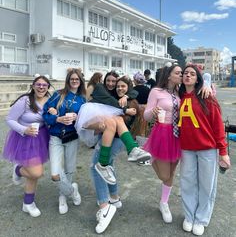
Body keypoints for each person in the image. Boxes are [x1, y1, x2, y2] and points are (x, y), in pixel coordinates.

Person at [89, 71, 148, 234]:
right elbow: (106, 97)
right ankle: (114, 198)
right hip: (113, 137)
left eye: (117, 83)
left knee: (97, 167)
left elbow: (132, 95)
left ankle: (105, 205)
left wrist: (127, 100)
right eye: (111, 81)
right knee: (110, 166)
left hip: (115, 139)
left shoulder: (131, 100)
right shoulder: (109, 93)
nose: (112, 84)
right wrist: (124, 101)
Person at [178, 65, 230, 236]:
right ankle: (189, 215)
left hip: (207, 148)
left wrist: (223, 151)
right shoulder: (179, 96)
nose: (188, 76)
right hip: (186, 149)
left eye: (192, 74)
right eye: (186, 73)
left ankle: (201, 219)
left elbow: (218, 126)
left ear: (198, 78)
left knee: (206, 186)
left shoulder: (207, 97)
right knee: (187, 184)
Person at [76, 74, 151, 185]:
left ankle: (130, 151)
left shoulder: (120, 94)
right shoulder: (100, 87)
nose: (110, 83)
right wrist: (125, 110)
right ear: (104, 80)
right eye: (108, 80)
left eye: (113, 82)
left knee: (116, 121)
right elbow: (110, 100)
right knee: (114, 120)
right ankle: (130, 150)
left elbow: (134, 92)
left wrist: (125, 96)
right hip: (90, 115)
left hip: (104, 121)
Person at [3, 75, 51, 217]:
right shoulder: (25, 100)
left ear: (48, 87)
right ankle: (18, 169)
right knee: (36, 172)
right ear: (33, 85)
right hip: (25, 138)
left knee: (33, 174)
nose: (41, 87)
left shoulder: (50, 101)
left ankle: (28, 203)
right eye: (38, 84)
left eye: (44, 85)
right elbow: (9, 119)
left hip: (41, 138)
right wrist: (24, 130)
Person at [143, 65, 183, 223]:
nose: (181, 75)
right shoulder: (156, 92)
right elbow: (146, 115)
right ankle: (151, 157)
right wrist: (151, 113)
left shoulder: (180, 93)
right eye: (178, 73)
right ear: (168, 76)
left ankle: (164, 202)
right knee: (164, 175)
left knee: (171, 174)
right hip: (162, 134)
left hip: (177, 135)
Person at [43, 68, 86, 215]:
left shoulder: (82, 100)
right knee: (55, 173)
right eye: (72, 79)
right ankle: (72, 191)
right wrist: (57, 118)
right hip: (55, 137)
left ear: (80, 81)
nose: (74, 81)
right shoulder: (58, 95)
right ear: (68, 80)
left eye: (77, 79)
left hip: (72, 137)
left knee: (69, 169)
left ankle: (62, 196)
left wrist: (77, 117)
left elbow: (85, 121)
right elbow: (45, 114)